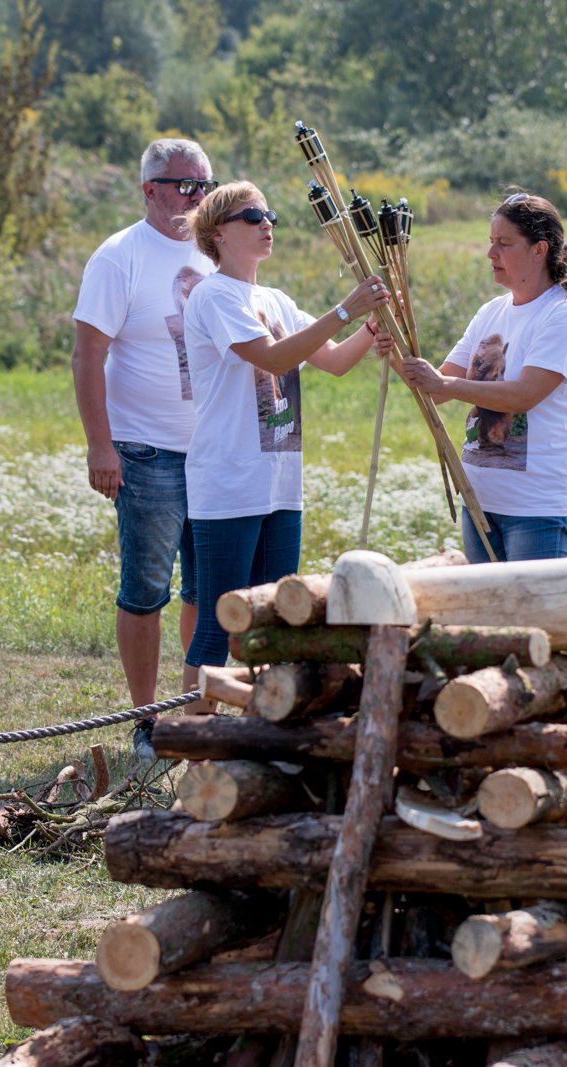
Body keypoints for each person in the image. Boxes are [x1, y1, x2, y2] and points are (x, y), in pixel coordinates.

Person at [180, 181, 393, 706]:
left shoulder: (273, 299)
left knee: (276, 622)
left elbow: (336, 362)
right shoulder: (212, 295)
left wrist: (370, 326)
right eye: (252, 216)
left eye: (268, 213)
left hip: (279, 485)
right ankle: (188, 738)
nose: (266, 222)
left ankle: (262, 733)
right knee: (218, 624)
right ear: (218, 233)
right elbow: (273, 358)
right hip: (228, 482)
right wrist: (345, 310)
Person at [71, 137, 219, 761]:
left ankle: (193, 712)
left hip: (216, 451)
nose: (196, 196)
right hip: (145, 452)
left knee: (204, 589)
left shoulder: (217, 253)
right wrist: (99, 447)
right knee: (146, 589)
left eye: (205, 184)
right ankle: (145, 720)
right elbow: (88, 355)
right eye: (185, 185)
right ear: (150, 190)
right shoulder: (119, 257)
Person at [399, 193, 567, 563]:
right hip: (479, 503)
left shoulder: (565, 315)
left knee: (531, 620)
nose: (491, 253)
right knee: (491, 620)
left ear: (539, 251)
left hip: (537, 507)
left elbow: (524, 394)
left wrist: (444, 385)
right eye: (491, 242)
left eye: (504, 244)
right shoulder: (491, 312)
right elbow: (437, 389)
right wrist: (392, 347)